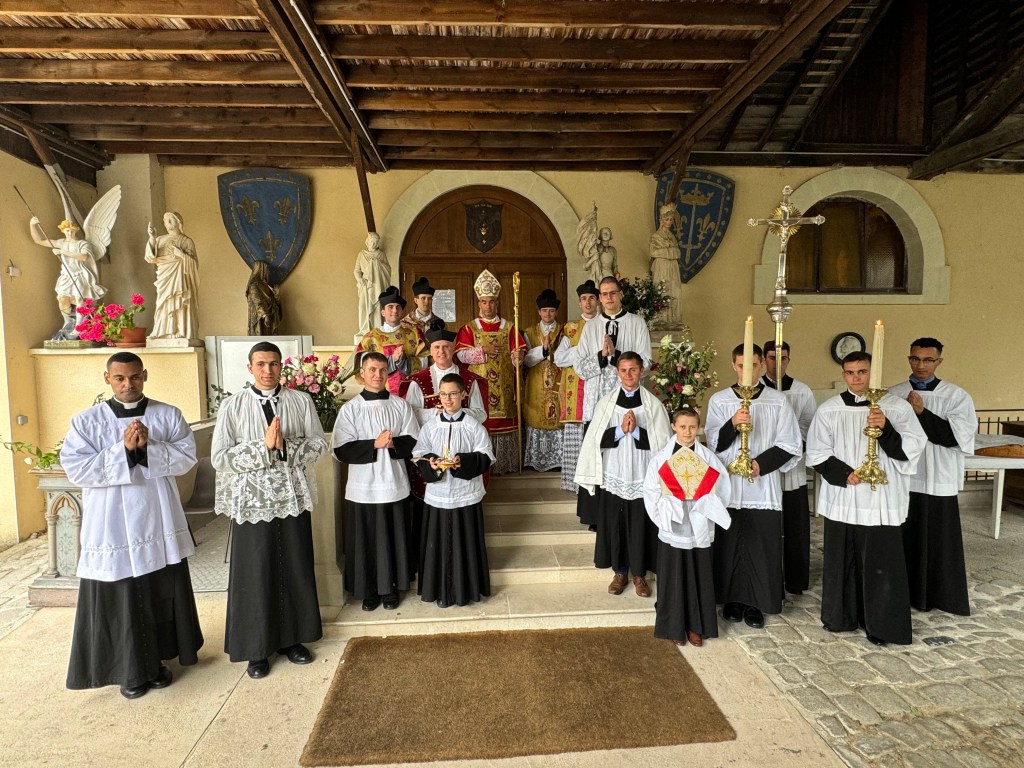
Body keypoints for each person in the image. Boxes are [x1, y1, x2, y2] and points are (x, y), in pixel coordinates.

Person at [61, 351, 203, 699]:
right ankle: (128, 671)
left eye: (135, 377)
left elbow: (185, 458)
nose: (129, 384)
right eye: (120, 378)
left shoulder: (167, 414)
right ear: (107, 378)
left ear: (145, 375)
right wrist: (122, 450)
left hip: (157, 517)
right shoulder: (87, 421)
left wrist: (147, 446)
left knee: (157, 590)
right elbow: (76, 468)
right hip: (112, 524)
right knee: (122, 594)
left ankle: (157, 663)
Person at [211, 341, 328, 679]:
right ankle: (256, 649)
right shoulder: (233, 406)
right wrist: (263, 449)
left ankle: (293, 639)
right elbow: (220, 458)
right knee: (255, 572)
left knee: (294, 565)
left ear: (282, 367)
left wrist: (286, 447)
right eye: (260, 364)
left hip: (291, 498)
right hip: (252, 503)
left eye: (274, 364)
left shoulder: (300, 401)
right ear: (249, 367)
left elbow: (319, 443)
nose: (267, 370)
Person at [807, 351, 927, 645]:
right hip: (846, 495)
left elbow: (913, 448)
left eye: (862, 372)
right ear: (844, 374)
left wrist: (885, 429)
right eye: (850, 372)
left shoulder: (896, 408)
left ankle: (882, 625)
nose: (856, 378)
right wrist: (844, 473)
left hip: (880, 498)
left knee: (881, 562)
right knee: (842, 559)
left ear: (873, 373)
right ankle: (841, 617)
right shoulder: (830, 409)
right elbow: (816, 451)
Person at [705, 343, 802, 630]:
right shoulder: (720, 400)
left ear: (761, 365)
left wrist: (761, 464)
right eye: (740, 365)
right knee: (729, 542)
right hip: (730, 486)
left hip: (762, 485)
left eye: (753, 365)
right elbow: (712, 445)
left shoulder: (777, 401)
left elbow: (790, 443)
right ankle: (732, 598)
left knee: (762, 546)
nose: (746, 370)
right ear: (733, 366)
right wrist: (732, 423)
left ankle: (758, 602)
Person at [888, 338, 976, 616]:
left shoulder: (956, 396)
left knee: (938, 540)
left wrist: (922, 413)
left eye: (928, 360)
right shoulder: (893, 394)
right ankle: (903, 593)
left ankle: (938, 595)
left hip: (938, 477)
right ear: (909, 359)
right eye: (915, 358)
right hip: (904, 477)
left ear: (939, 362)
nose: (921, 365)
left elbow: (954, 437)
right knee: (904, 537)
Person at [576, 352, 670, 597]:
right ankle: (619, 572)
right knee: (615, 524)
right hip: (615, 471)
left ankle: (639, 575)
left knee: (640, 523)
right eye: (624, 370)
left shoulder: (653, 405)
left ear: (642, 371)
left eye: (633, 370)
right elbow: (595, 440)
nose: (628, 375)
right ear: (617, 372)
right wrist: (619, 430)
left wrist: (637, 432)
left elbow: (663, 444)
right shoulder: (606, 403)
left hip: (641, 472)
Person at [333, 352, 420, 612]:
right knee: (367, 540)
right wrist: (374, 444)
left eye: (382, 370)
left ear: (388, 373)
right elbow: (340, 448)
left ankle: (391, 587)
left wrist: (393, 443)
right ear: (362, 373)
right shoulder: (351, 409)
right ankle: (369, 591)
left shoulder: (400, 405)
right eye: (372, 370)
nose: (377, 375)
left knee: (394, 538)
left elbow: (415, 441)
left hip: (394, 482)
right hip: (363, 487)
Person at [398, 329, 488, 579]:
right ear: (430, 350)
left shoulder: (469, 380)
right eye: (436, 347)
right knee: (429, 516)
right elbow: (412, 415)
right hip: (432, 451)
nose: (441, 352)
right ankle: (428, 565)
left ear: (453, 348)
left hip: (462, 450)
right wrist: (437, 414)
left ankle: (465, 568)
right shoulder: (418, 380)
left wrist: (456, 413)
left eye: (446, 347)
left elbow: (481, 413)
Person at [644, 408, 732, 647]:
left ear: (698, 427)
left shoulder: (707, 458)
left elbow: (722, 487)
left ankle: (697, 626)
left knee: (699, 574)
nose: (687, 432)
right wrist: (672, 504)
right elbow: (650, 493)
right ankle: (674, 626)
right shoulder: (660, 460)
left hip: (698, 523)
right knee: (673, 575)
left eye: (692, 427)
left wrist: (702, 501)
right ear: (674, 426)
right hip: (674, 523)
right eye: (682, 427)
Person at [573, 275, 652, 526]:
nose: (607, 298)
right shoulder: (591, 326)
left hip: (628, 399)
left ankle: (628, 509)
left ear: (620, 295)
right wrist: (600, 356)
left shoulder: (637, 323)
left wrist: (618, 356)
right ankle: (597, 515)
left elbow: (646, 363)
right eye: (603, 294)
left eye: (612, 293)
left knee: (625, 449)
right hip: (598, 400)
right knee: (599, 449)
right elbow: (579, 368)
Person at [413, 373, 494, 607]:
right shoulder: (430, 426)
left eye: (453, 394)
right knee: (437, 544)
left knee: (465, 544)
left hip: (465, 494)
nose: (447, 399)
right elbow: (419, 454)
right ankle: (438, 591)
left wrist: (462, 463)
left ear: (463, 395)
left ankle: (465, 591)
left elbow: (486, 457)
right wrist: (432, 463)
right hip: (438, 495)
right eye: (443, 394)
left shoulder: (473, 426)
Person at [455, 269, 527, 474]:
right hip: (481, 386)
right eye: (484, 302)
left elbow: (521, 353)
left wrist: (517, 358)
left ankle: (506, 464)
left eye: (492, 301)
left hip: (504, 387)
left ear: (497, 303)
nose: (488, 306)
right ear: (479, 303)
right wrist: (482, 350)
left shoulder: (510, 326)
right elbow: (460, 356)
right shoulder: (470, 329)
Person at [761, 340, 817, 595]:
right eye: (773, 357)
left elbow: (809, 426)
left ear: (789, 360)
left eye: (783, 358)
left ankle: (795, 579)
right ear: (764, 360)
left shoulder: (802, 391)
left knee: (795, 527)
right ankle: (767, 576)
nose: (778, 362)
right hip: (762, 467)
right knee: (768, 527)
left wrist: (789, 447)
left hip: (792, 467)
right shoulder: (755, 389)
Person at [553, 280, 601, 496]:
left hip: (598, 388)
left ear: (598, 301)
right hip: (574, 391)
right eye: (584, 299)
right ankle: (575, 484)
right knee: (575, 437)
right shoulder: (570, 328)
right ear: (579, 303)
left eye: (592, 298)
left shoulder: (605, 325)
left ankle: (596, 482)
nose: (588, 302)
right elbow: (559, 359)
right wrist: (580, 352)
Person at [29, 216, 106, 340]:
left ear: (75, 230)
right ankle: (68, 322)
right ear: (63, 231)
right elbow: (38, 240)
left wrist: (62, 252)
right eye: (66, 231)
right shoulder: (61, 243)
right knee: (62, 299)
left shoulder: (82, 243)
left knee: (79, 299)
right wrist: (32, 225)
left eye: (71, 231)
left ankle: (78, 328)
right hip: (66, 275)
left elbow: (83, 257)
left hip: (79, 275)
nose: (69, 233)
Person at [353, 285, 425, 394]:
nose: (395, 310)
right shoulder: (371, 338)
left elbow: (425, 361)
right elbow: (365, 367)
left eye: (398, 307)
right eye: (390, 307)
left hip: (411, 392)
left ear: (402, 311)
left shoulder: (414, 334)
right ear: (383, 312)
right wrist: (392, 359)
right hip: (379, 392)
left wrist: (405, 361)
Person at [522, 288, 564, 472]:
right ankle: (534, 461)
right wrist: (544, 351)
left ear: (556, 312)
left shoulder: (565, 331)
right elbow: (527, 360)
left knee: (557, 414)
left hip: (558, 382)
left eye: (552, 310)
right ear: (539, 312)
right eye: (545, 310)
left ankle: (558, 461)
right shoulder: (529, 332)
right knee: (536, 415)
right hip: (536, 383)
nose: (548, 314)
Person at [145, 211, 199, 340]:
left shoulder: (186, 241)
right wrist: (152, 237)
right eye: (165, 220)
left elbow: (194, 264)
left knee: (179, 301)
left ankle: (181, 330)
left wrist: (181, 255)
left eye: (171, 220)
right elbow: (150, 257)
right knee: (163, 302)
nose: (168, 223)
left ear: (178, 222)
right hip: (164, 275)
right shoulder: (160, 239)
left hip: (180, 276)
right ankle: (161, 332)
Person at [649, 203, 685, 326]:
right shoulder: (656, 236)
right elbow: (653, 252)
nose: (669, 222)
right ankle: (662, 319)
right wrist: (670, 252)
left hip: (672, 267)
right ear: (661, 220)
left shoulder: (672, 237)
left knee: (675, 291)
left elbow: (678, 252)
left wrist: (673, 253)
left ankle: (674, 319)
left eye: (671, 219)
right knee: (663, 290)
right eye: (667, 219)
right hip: (662, 267)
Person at [354, 232, 390, 336]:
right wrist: (360, 279)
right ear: (367, 242)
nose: (373, 244)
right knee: (363, 307)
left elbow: (387, 269)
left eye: (375, 242)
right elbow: (356, 270)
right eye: (371, 242)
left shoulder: (381, 254)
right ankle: (365, 329)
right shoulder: (362, 254)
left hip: (377, 285)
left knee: (377, 307)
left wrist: (377, 264)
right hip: (365, 286)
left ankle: (377, 329)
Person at [402, 276, 447, 342]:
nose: (426, 302)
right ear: (416, 300)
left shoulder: (439, 323)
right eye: (423, 298)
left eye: (429, 298)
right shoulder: (405, 323)